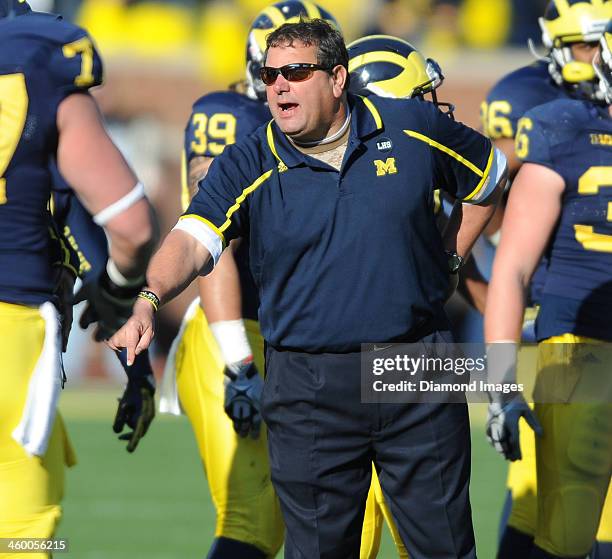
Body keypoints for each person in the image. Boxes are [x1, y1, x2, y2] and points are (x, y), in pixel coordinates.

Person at [111, 18, 506, 558]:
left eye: (296, 72)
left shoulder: (413, 125)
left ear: (338, 78)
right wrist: (148, 300)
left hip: (415, 358)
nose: (278, 86)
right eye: (272, 74)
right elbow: (192, 238)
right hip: (308, 377)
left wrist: (450, 254)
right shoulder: (250, 157)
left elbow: (490, 175)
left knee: (446, 547)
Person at [0, 0, 156, 549]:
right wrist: (136, 366)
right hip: (10, 326)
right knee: (22, 535)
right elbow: (117, 238)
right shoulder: (35, 66)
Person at [478, 1, 612, 556]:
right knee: (572, 534)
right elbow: (510, 264)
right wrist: (501, 383)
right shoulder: (558, 123)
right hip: (580, 345)